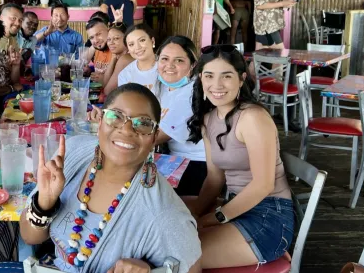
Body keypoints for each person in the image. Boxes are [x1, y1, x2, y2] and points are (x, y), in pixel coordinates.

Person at [0, 84, 202, 273]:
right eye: (115, 116)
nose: (126, 129)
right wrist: (44, 203)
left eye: (143, 123)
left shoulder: (165, 215)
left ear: (154, 137)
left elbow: (191, 267)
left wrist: (150, 270)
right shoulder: (72, 153)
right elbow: (30, 237)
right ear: (100, 122)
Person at [186, 45, 293, 269]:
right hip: (234, 205)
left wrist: (211, 219)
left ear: (241, 79)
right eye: (209, 76)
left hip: (268, 216)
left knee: (181, 253)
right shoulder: (208, 119)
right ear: (200, 79)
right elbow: (215, 179)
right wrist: (194, 214)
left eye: (226, 76)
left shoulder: (252, 117)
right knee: (168, 214)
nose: (216, 85)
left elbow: (263, 185)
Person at [151, 37, 206, 197]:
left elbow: (157, 136)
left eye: (179, 60)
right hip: (172, 159)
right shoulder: (163, 86)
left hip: (196, 165)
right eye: (165, 59)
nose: (169, 65)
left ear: (193, 65)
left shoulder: (191, 92)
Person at [117, 24, 157, 91]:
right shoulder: (125, 75)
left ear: (152, 41)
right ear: (128, 49)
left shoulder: (167, 67)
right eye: (131, 44)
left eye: (142, 40)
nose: (137, 47)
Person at [101, 23, 133, 96]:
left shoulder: (126, 58)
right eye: (109, 39)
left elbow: (107, 91)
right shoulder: (118, 56)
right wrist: (113, 57)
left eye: (116, 38)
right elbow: (104, 84)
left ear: (127, 39)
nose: (111, 43)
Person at [82, 17, 113, 83]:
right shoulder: (97, 48)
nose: (95, 40)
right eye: (92, 37)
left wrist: (105, 80)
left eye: (98, 34)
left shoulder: (116, 49)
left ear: (108, 29)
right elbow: (83, 61)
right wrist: (89, 71)